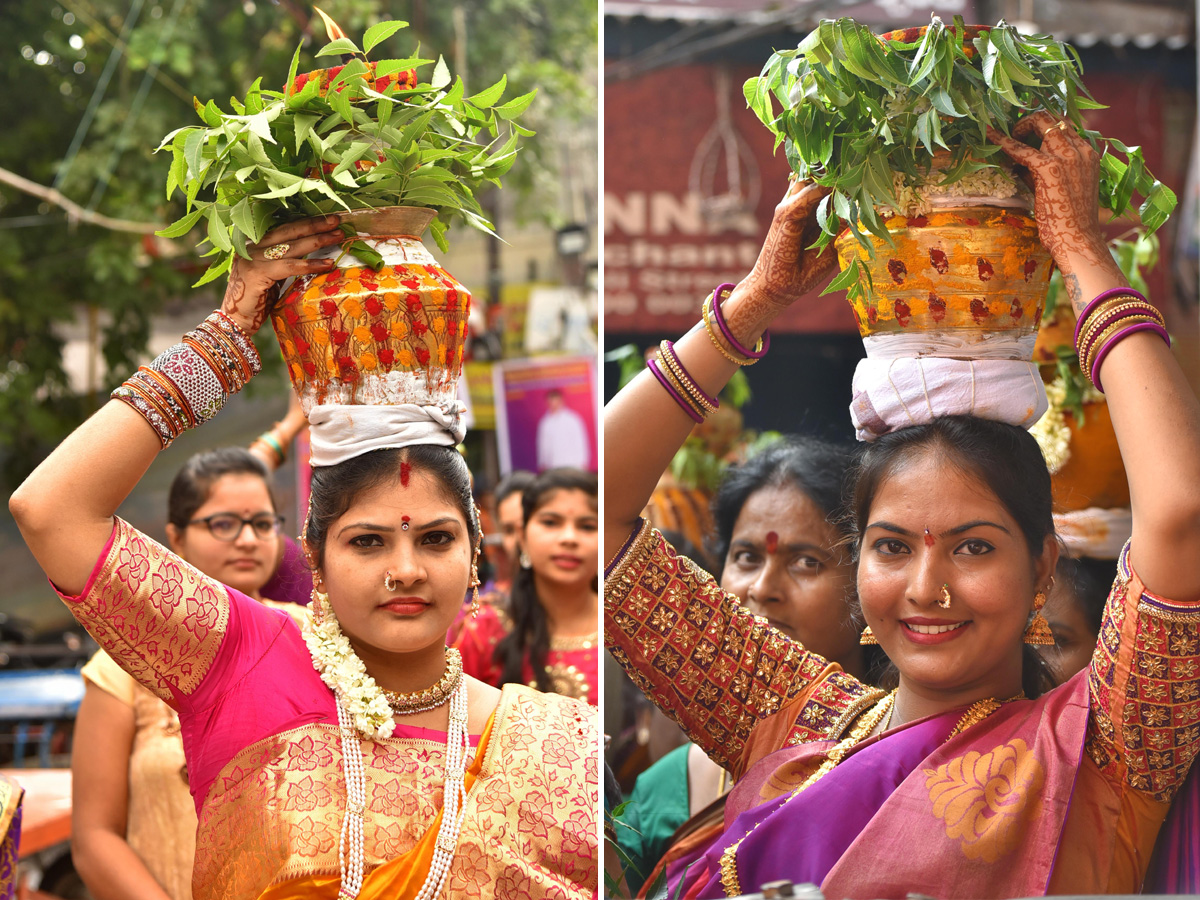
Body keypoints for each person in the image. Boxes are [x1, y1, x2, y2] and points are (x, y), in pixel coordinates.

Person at [603, 110, 1200, 897]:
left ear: (1043, 564)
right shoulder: (793, 719)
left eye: (975, 546)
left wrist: (1085, 257)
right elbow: (598, 499)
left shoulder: (1103, 745)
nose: (927, 587)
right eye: (892, 547)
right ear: (857, 560)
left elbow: (1181, 517)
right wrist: (754, 301)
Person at [11, 216, 597, 899]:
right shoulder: (241, 656)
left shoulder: (558, 745)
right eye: (368, 541)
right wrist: (224, 339)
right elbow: (51, 511)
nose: (405, 568)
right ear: (314, 558)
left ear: (477, 555)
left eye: (436, 538)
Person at [618, 436, 871, 895]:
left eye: (807, 561)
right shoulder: (670, 785)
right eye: (747, 557)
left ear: (867, 583)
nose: (763, 588)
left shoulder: (900, 754)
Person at [71, 448, 305, 900]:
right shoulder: (123, 659)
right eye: (223, 524)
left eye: (262, 523)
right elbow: (94, 837)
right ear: (175, 539)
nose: (248, 540)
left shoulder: (315, 638)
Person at [456, 468, 599, 705]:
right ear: (522, 537)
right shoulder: (485, 630)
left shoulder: (620, 630)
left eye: (587, 526)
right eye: (551, 522)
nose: (569, 538)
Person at [536, 388, 592, 470]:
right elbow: (542, 445)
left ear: (561, 401)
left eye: (556, 402)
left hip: (573, 465)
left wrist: (583, 462)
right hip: (553, 466)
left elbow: (580, 441)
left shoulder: (573, 419)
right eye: (551, 402)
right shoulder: (545, 423)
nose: (553, 405)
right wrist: (542, 463)